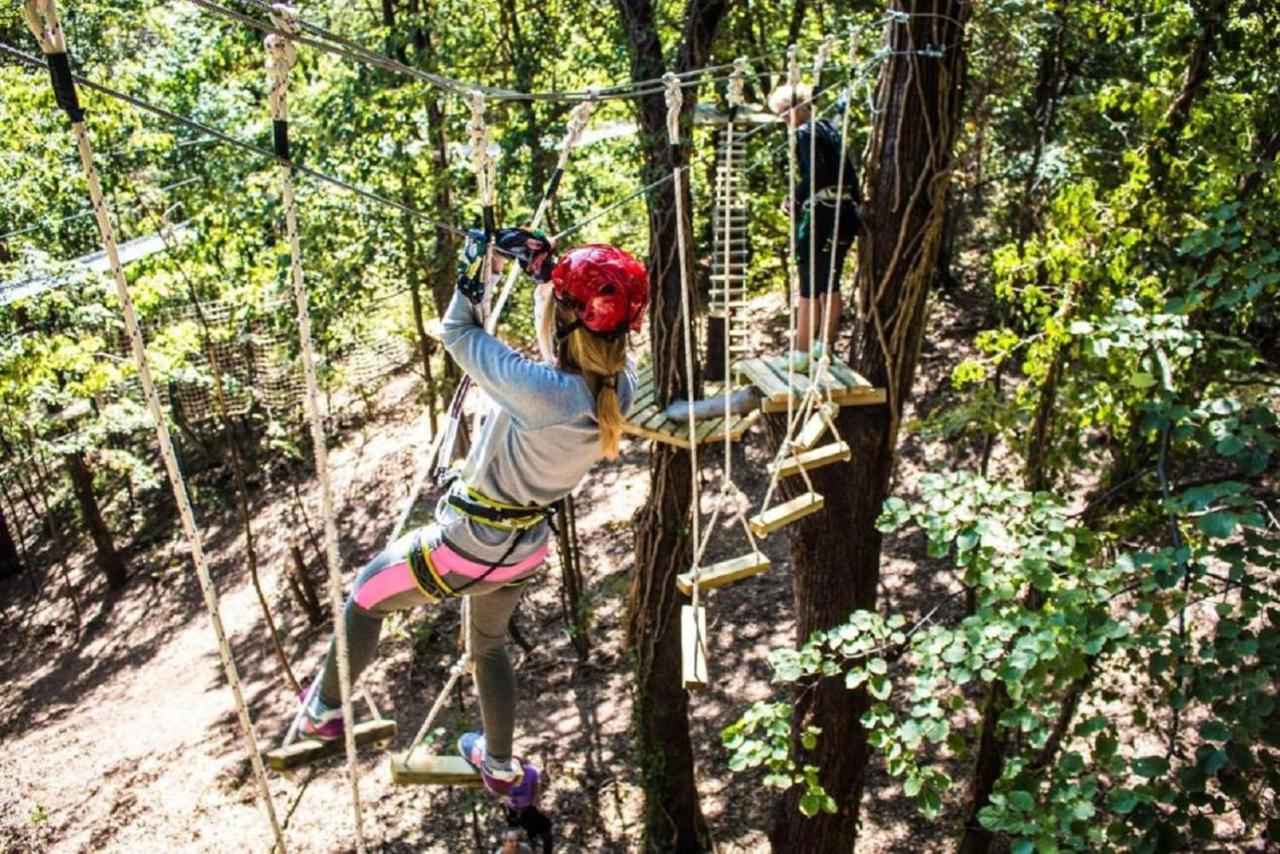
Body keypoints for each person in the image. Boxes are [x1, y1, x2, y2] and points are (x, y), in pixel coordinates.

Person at [294, 227, 649, 810]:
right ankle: (501, 765)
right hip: (523, 550)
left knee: (364, 598)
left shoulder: (540, 392)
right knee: (486, 647)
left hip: (464, 545)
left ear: (567, 323)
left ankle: (326, 710)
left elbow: (457, 331)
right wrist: (546, 279)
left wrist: (474, 270)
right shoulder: (618, 387)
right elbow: (566, 340)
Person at [768, 81, 862, 371]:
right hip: (845, 214)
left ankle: (800, 354)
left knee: (808, 285)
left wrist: (794, 199)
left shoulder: (805, 132)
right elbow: (847, 171)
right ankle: (824, 347)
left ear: (800, 108)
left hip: (822, 213)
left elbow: (816, 174)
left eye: (786, 113)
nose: (785, 120)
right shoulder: (829, 131)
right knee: (829, 283)